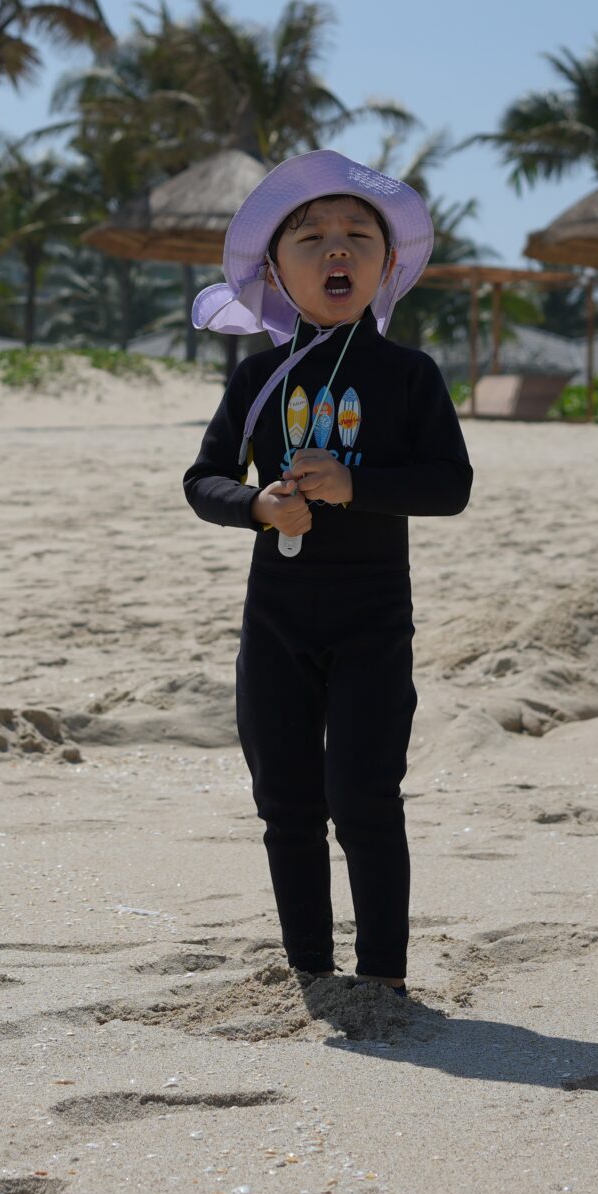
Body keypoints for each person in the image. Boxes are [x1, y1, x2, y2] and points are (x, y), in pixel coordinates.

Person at [181, 152, 470, 990]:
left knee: (366, 795)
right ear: (277, 269)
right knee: (287, 803)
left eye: (357, 235)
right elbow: (201, 480)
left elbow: (451, 486)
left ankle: (383, 978)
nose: (335, 250)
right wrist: (258, 507)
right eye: (310, 237)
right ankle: (309, 969)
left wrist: (357, 487)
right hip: (274, 619)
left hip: (374, 619)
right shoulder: (257, 379)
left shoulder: (411, 376)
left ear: (388, 263)